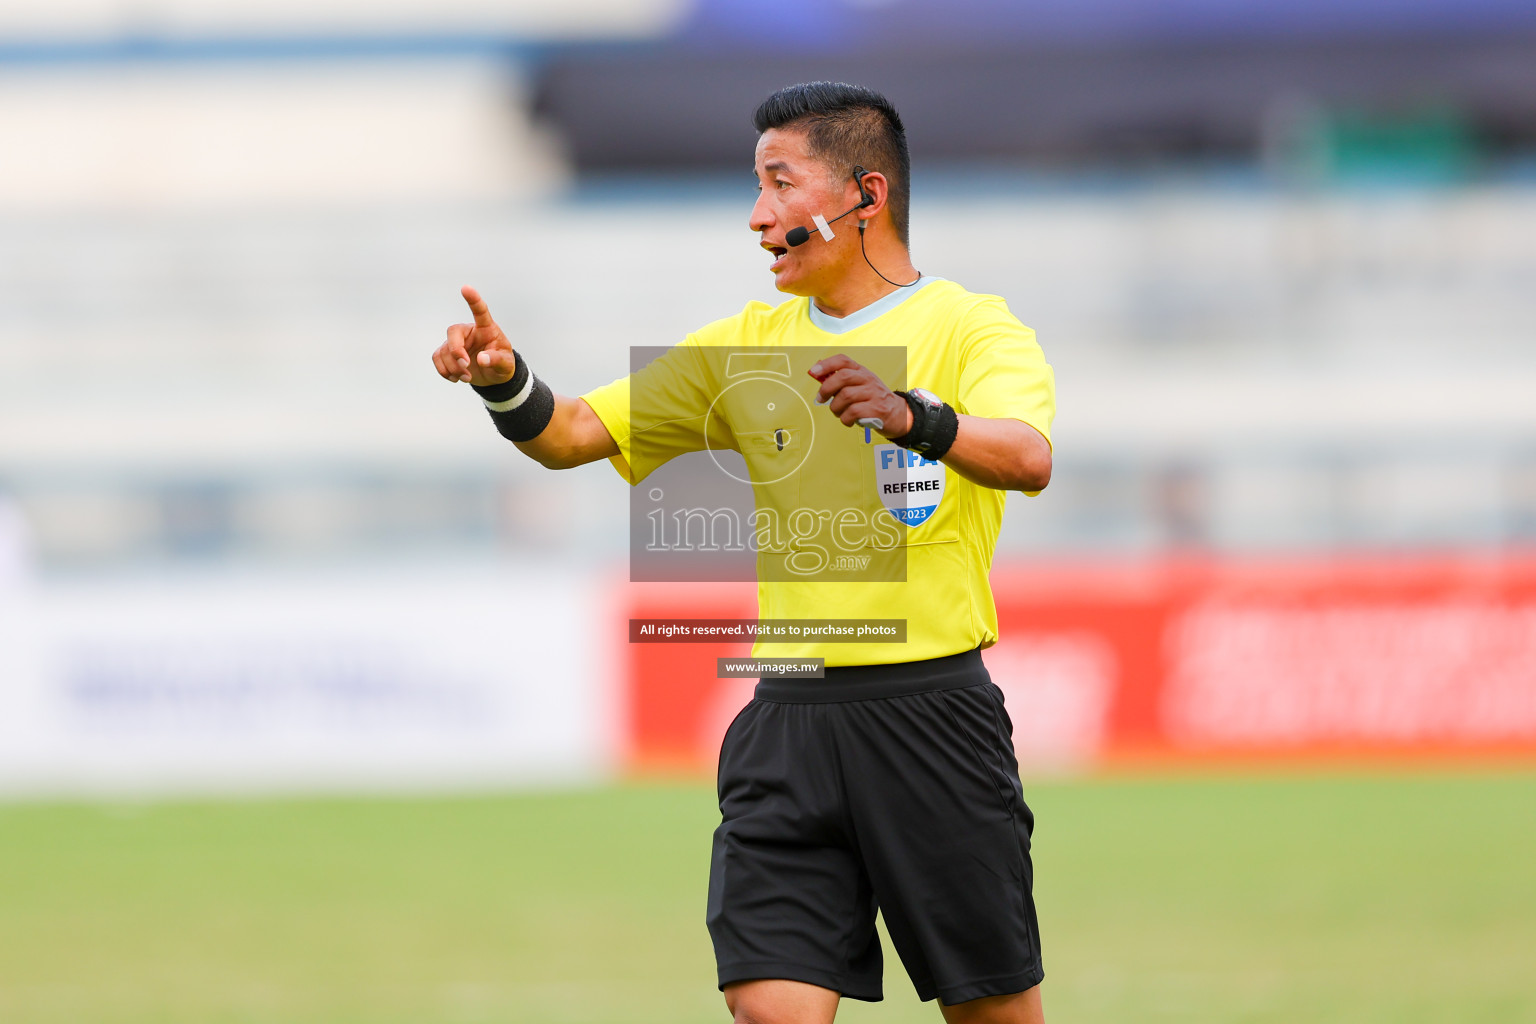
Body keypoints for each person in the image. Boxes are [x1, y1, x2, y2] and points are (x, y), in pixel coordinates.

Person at [431, 82, 1055, 1024]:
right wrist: (504, 381)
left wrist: (915, 416)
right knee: (769, 1007)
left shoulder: (970, 327)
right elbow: (569, 432)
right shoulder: (743, 347)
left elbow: (1028, 456)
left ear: (865, 197)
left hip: (930, 716)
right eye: (755, 187)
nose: (758, 216)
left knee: (992, 1014)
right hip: (787, 722)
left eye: (779, 184)